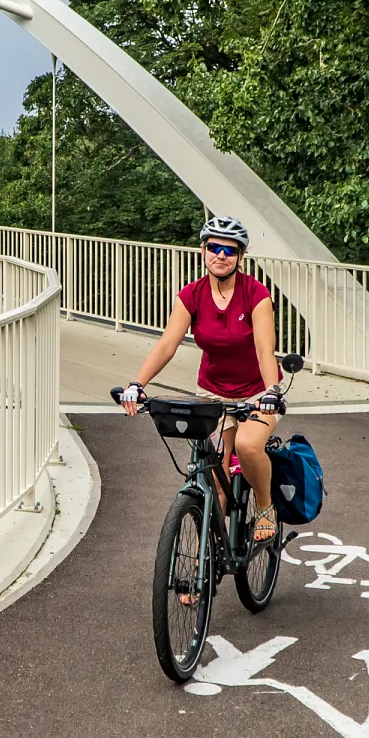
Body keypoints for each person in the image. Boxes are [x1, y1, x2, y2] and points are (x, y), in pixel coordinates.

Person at [121, 215, 285, 544]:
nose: (221, 255)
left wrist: (271, 392)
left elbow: (266, 350)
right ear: (203, 250)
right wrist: (137, 385)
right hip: (212, 393)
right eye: (214, 247)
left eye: (230, 249)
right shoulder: (191, 295)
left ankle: (266, 507)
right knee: (215, 477)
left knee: (248, 445)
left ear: (240, 256)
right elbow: (167, 344)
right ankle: (202, 567)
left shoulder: (256, 295)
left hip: (256, 392)